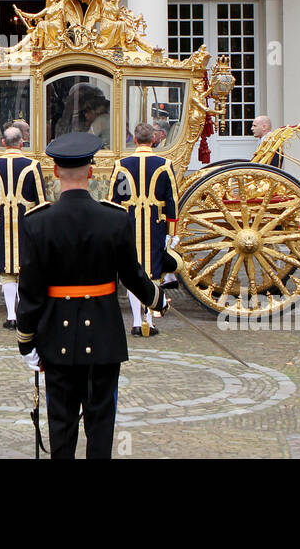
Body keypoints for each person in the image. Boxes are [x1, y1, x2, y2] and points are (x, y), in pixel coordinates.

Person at [16, 132, 168, 460]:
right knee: (101, 423)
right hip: (104, 337)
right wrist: (158, 300)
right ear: (92, 171)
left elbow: (30, 290)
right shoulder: (114, 218)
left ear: (55, 172)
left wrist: (26, 341)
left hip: (55, 337)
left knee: (62, 423)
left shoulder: (37, 223)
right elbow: (133, 275)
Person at [108, 123, 179, 337]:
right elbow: (172, 201)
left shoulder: (121, 165)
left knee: (132, 270)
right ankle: (150, 320)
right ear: (153, 140)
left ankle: (137, 321)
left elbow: (114, 200)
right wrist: (172, 231)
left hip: (129, 223)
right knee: (153, 270)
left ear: (136, 140)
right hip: (155, 223)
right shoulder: (165, 164)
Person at [0, 126, 47, 328]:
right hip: (27, 225)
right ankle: (24, 315)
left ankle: (11, 316)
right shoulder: (33, 166)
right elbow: (41, 201)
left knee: (6, 271)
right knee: (25, 270)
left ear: (3, 143)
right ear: (21, 143)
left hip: (1, 223)